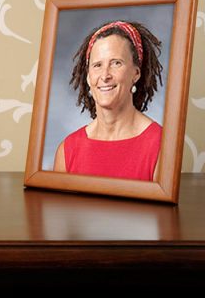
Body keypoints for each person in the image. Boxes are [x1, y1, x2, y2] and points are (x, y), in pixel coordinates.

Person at [53, 20, 163, 181]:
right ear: (89, 77)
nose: (105, 76)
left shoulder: (161, 145)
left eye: (116, 63)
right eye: (97, 65)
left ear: (136, 73)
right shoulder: (68, 149)